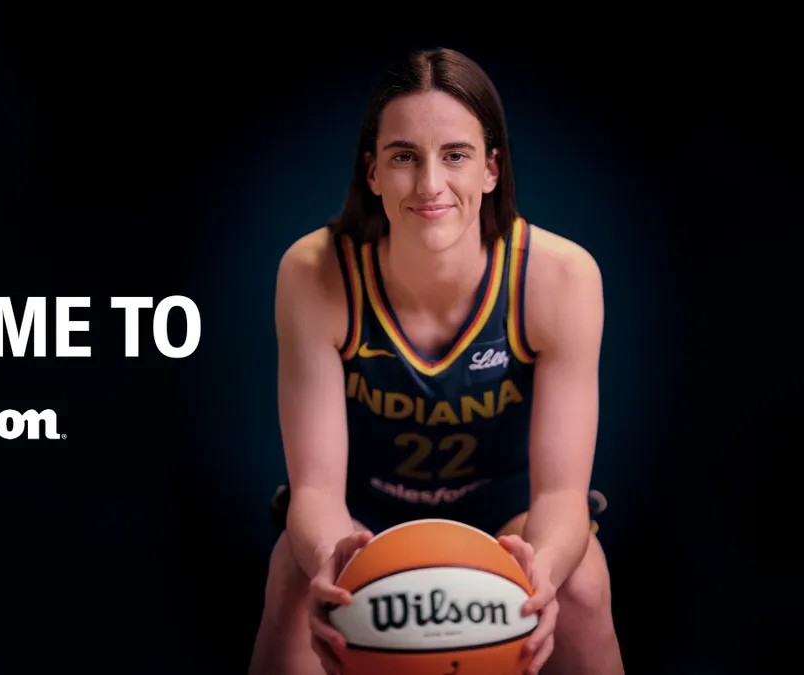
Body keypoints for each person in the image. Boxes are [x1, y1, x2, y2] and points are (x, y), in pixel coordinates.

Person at [247, 48, 625, 675]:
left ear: (491, 169)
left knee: (583, 582)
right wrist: (329, 560)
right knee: (293, 572)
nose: (429, 184)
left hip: (507, 518)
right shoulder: (315, 274)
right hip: (363, 519)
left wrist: (545, 570)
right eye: (403, 157)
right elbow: (312, 487)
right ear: (371, 173)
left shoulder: (558, 278)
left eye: (455, 155)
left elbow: (562, 493)